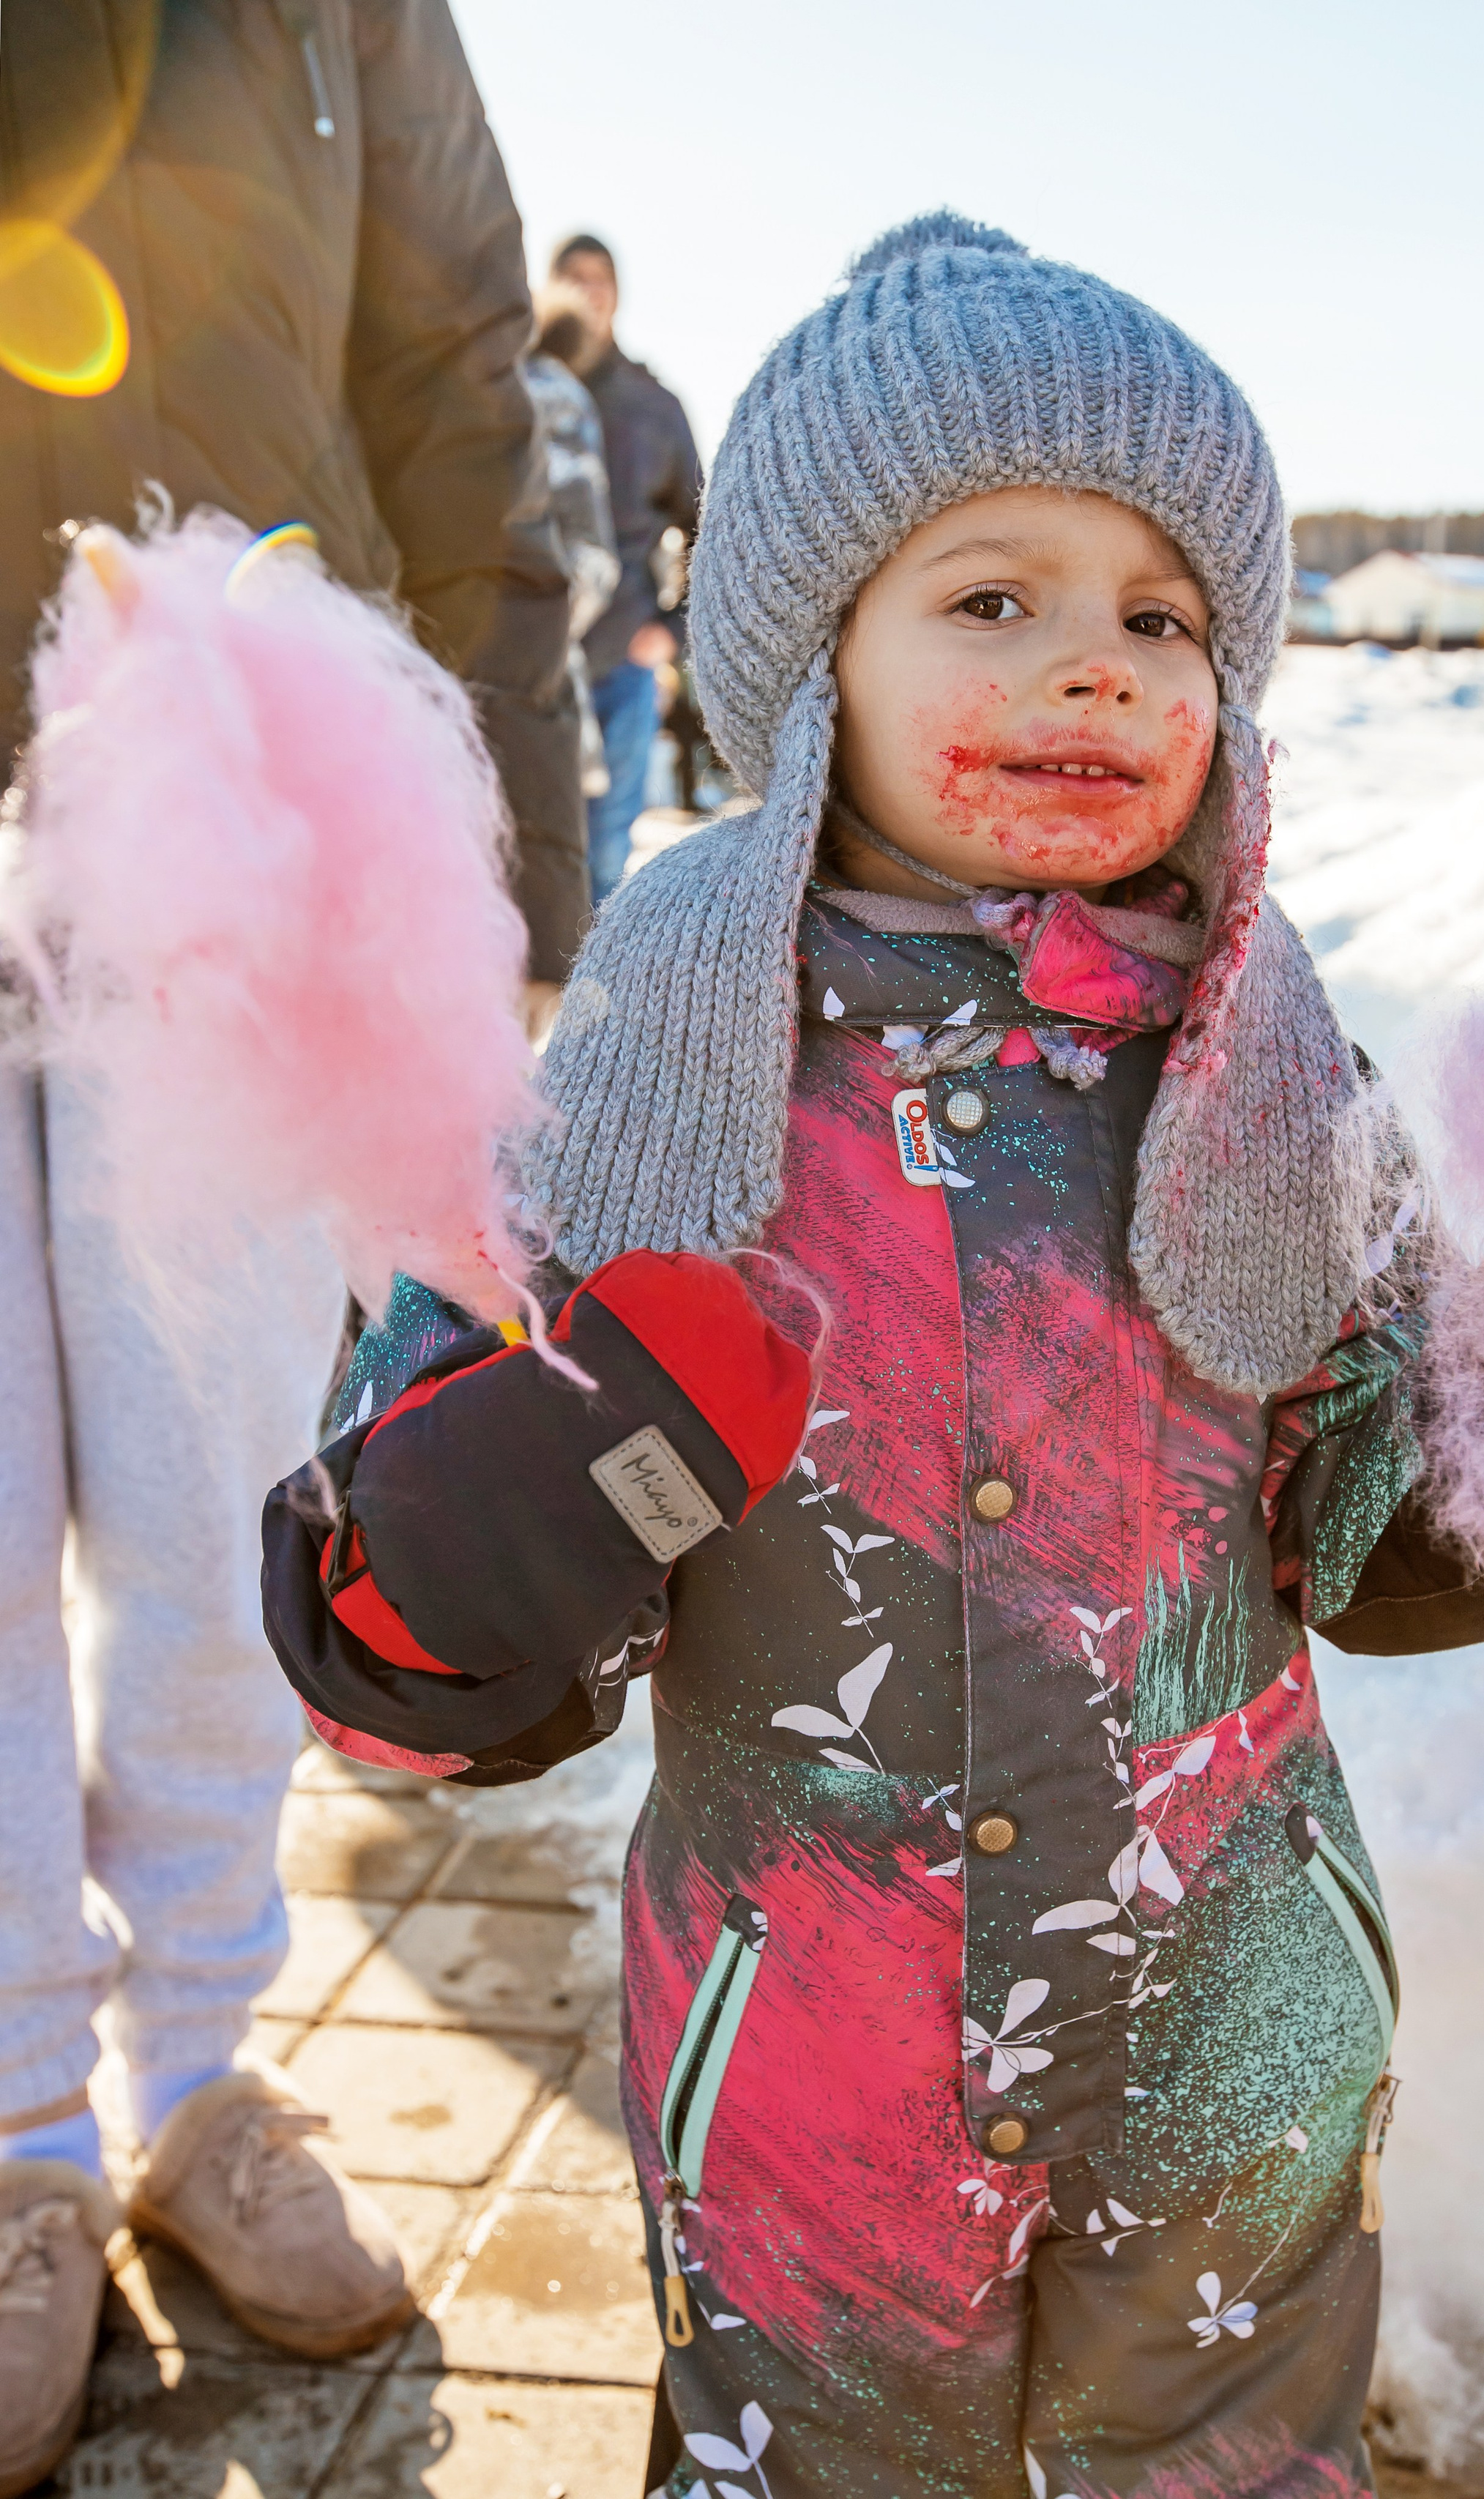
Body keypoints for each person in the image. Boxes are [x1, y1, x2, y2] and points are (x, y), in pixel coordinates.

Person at [263, 218, 1484, 2497]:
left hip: (1229, 2081)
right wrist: (499, 1514)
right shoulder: (644, 1078)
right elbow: (383, 1594)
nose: (1092, 666)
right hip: (807, 2112)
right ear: (811, 665)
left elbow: (1380, 1525)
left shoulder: (1270, 1067)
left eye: (1158, 613)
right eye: (991, 597)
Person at [0, 4, 581, 2487]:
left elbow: (453, 352)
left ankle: (199, 2080)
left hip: (239, 797)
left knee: (220, 1478)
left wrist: (518, 854)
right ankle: (19, 2134)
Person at [550, 231, 703, 901]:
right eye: (571, 276)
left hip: (620, 662)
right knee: (525, 852)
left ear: (617, 293)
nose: (587, 290)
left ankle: (590, 1006)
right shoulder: (514, 388)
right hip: (532, 666)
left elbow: (708, 534)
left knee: (605, 857)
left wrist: (671, 630)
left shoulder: (653, 405)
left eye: (600, 278)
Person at [525, 290, 624, 810]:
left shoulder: (547, 395)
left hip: (526, 691)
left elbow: (589, 558)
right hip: (532, 691)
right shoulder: (557, 392)